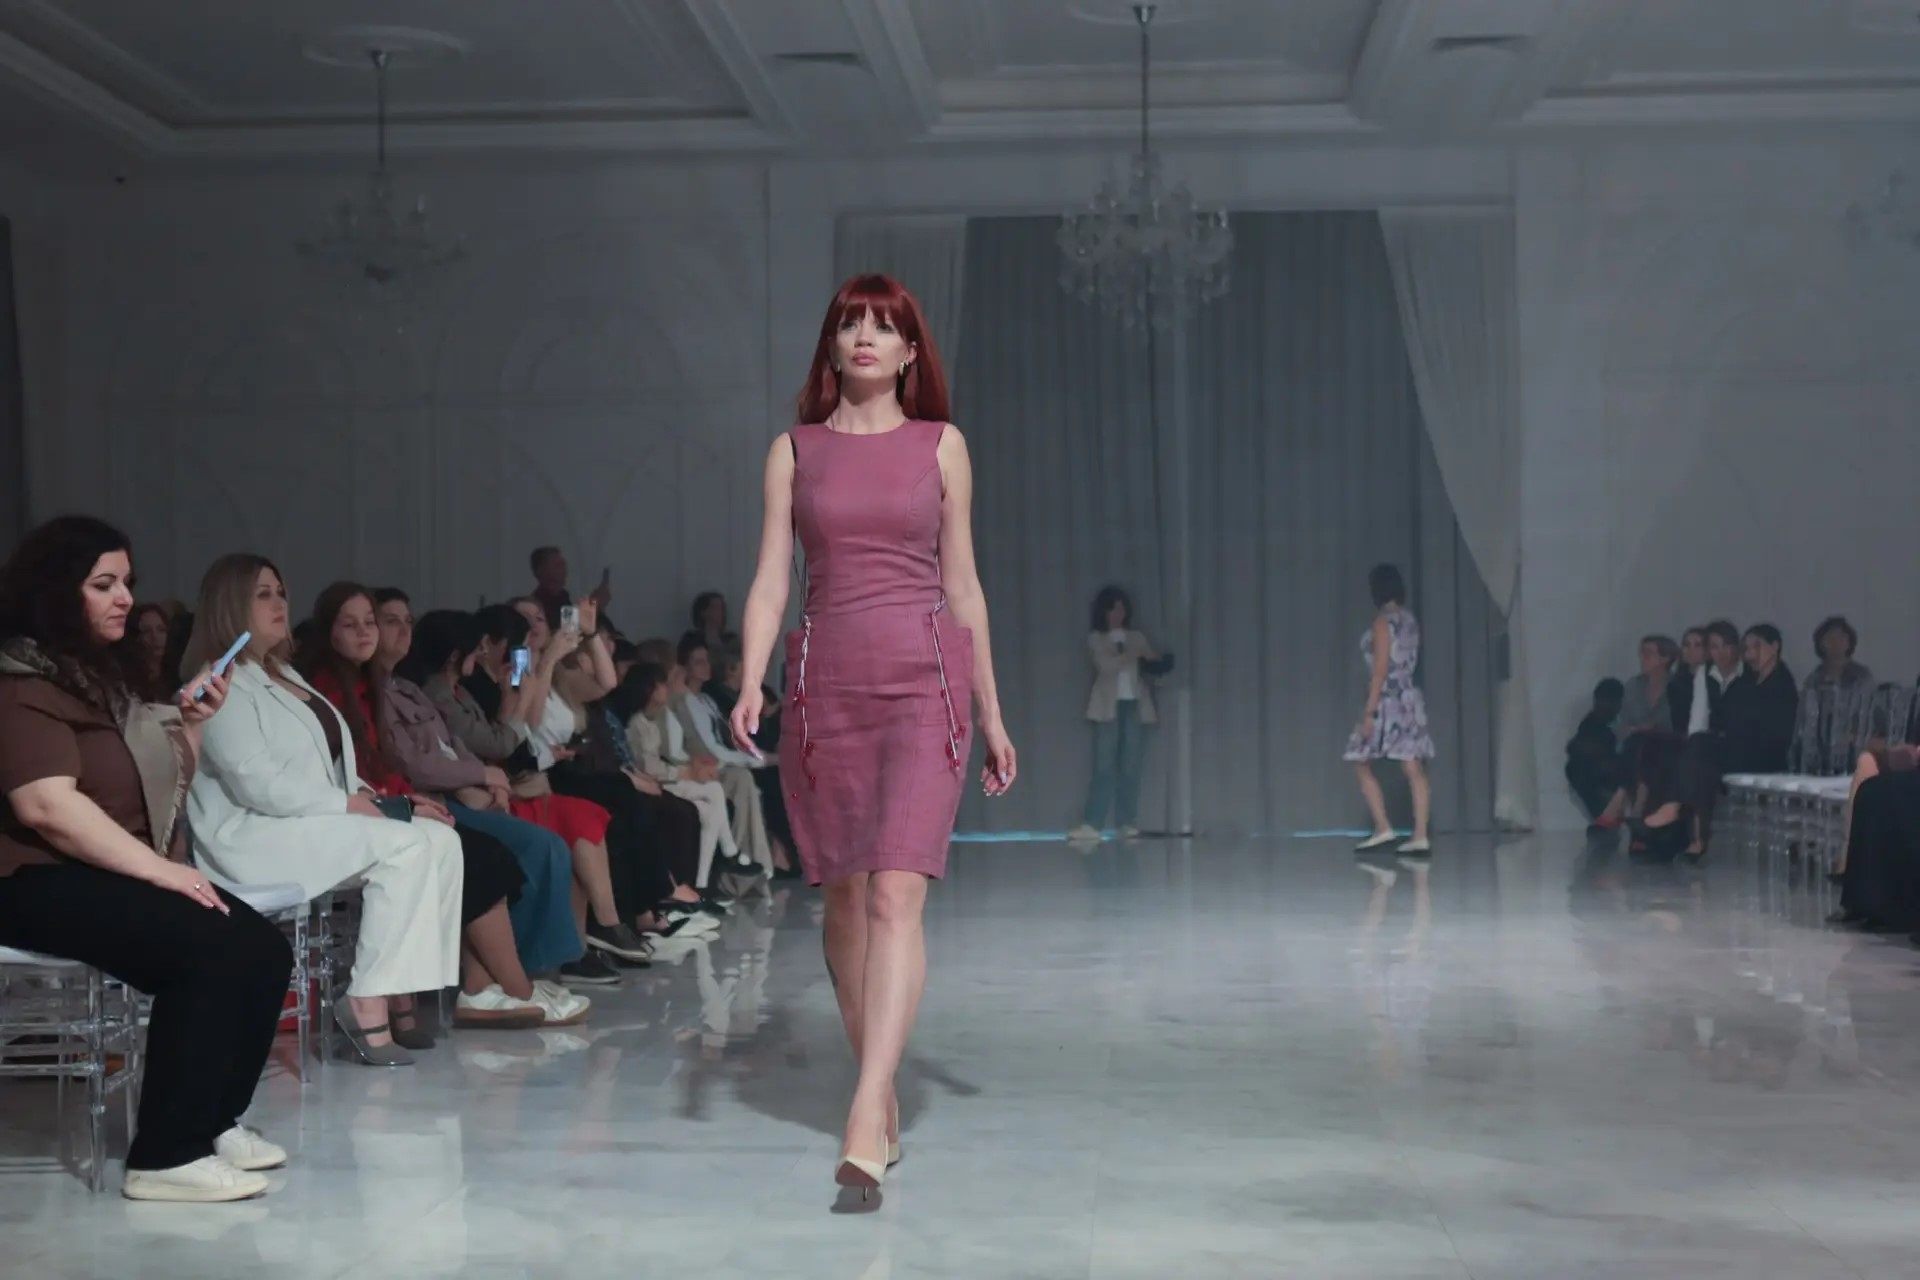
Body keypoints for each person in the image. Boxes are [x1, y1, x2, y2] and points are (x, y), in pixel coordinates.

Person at [730, 273, 1017, 1198]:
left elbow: (963, 585)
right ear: (831, 344)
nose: (864, 336)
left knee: (897, 894)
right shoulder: (794, 452)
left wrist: (992, 710)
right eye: (850, 322)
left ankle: (864, 1111)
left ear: (909, 353)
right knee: (846, 902)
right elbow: (771, 579)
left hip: (925, 687)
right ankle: (878, 1085)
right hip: (826, 690)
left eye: (883, 327)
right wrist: (750, 678)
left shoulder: (943, 446)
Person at [0, 517, 293, 1203]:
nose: (126, 598)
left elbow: (159, 784)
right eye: (103, 584)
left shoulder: (96, 679)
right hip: (28, 879)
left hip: (96, 870)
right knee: (208, 949)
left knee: (261, 949)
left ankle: (213, 1121)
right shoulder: (19, 682)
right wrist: (164, 871)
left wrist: (193, 723)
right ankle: (166, 1154)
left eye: (127, 582)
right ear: (55, 591)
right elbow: (45, 807)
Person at [182, 555, 467, 1068]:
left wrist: (389, 803)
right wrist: (351, 805)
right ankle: (365, 1000)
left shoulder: (283, 672)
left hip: (305, 820)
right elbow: (256, 782)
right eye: (263, 594)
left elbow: (328, 766)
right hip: (251, 834)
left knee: (441, 839)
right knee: (404, 847)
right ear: (230, 604)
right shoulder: (219, 681)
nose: (279, 603)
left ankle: (402, 988)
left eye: (281, 592)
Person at [1344, 564, 1434, 855]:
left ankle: (1384, 827)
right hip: (1409, 699)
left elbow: (1380, 670)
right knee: (1413, 767)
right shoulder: (1409, 621)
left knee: (1360, 759)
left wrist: (1369, 713)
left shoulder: (1383, 623)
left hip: (1388, 701)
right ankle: (1420, 835)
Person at [1070, 585, 1162, 842]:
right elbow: (1107, 666)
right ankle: (1092, 824)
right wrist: (1133, 654)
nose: (1118, 614)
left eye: (1121, 609)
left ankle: (1126, 822)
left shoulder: (1136, 636)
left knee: (1131, 767)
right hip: (1107, 709)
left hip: (1134, 706)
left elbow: (1152, 660)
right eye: (1113, 609)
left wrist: (1149, 656)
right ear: (1104, 612)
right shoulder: (1097, 639)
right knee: (1104, 766)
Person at [1566, 678, 1625, 822]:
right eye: (1599, 701)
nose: (1601, 707)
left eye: (1606, 702)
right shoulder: (1590, 723)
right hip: (1598, 777)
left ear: (1618, 704)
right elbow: (1574, 747)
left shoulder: (1623, 722)